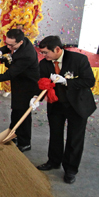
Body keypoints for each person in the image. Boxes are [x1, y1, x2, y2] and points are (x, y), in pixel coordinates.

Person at [35, 36, 96, 184]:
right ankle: (54, 161)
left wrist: (66, 81)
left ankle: (70, 169)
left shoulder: (78, 59)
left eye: (45, 52)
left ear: (57, 49)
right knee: (55, 133)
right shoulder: (44, 64)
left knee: (74, 138)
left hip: (77, 105)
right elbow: (42, 83)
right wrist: (35, 98)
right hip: (56, 104)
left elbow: (89, 81)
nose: (43, 56)